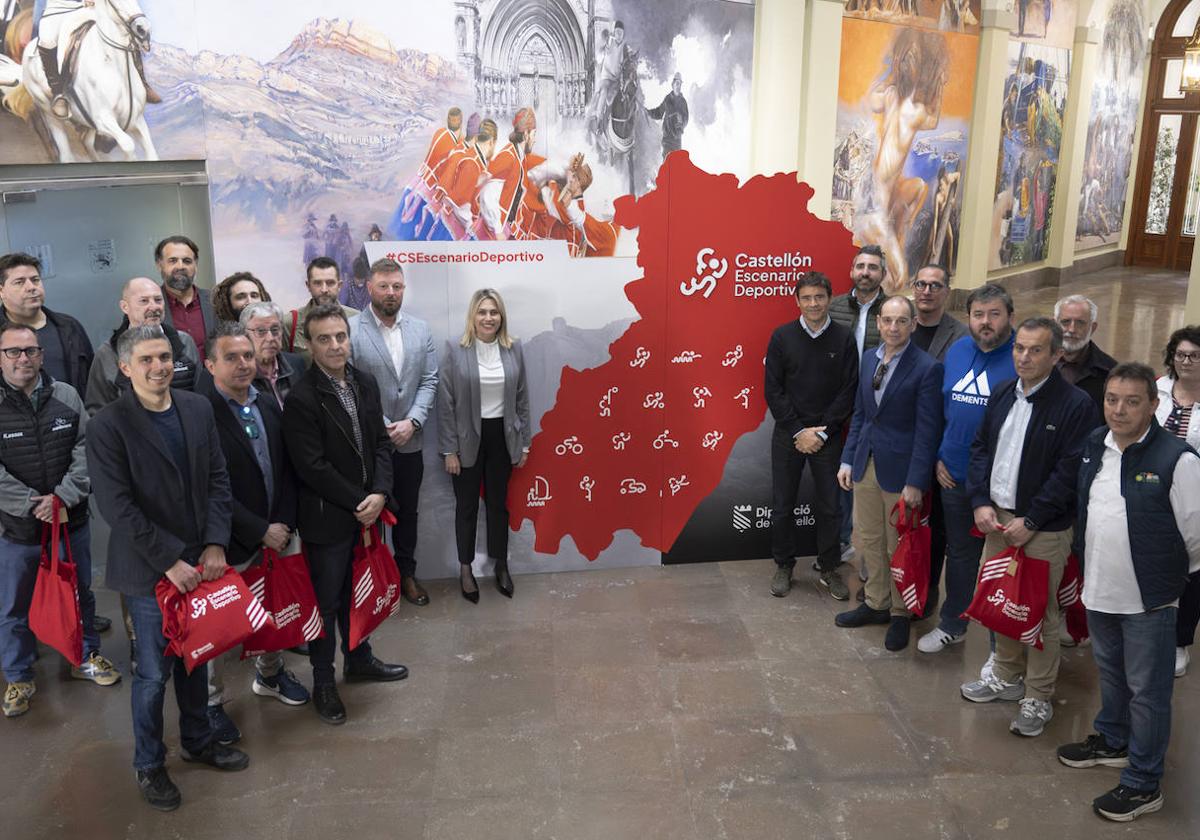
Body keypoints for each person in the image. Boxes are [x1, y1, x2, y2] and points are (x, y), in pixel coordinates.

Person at [86, 325, 247, 811]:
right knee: (153, 674)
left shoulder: (196, 408)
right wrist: (169, 561)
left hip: (201, 562)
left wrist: (216, 542)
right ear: (126, 367)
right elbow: (117, 507)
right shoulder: (107, 425)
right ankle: (150, 764)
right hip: (148, 571)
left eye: (165, 357)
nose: (159, 367)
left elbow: (219, 478)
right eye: (148, 359)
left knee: (196, 659)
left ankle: (197, 742)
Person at [1056, 362, 1200, 823]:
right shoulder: (1095, 446)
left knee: (1149, 692)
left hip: (1149, 600)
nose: (1119, 409)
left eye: (1132, 401)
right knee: (1112, 676)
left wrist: (1164, 578)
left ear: (1154, 405)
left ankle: (1143, 782)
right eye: (1112, 399)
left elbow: (1195, 536)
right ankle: (1113, 740)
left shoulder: (1178, 460)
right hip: (1100, 588)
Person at [959, 318, 1100, 738]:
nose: (1024, 356)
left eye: (1035, 350)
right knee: (1002, 601)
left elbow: (1069, 471)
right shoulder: (1004, 391)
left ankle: (1037, 696)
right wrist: (980, 502)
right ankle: (1005, 676)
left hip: (1043, 527)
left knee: (1041, 613)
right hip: (996, 519)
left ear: (1057, 355)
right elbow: (981, 448)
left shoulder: (1075, 405)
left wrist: (1033, 519)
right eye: (1019, 348)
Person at [282, 304, 407, 726]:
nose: (335, 345)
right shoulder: (301, 397)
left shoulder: (364, 383)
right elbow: (311, 467)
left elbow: (381, 445)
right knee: (327, 603)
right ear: (309, 345)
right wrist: (361, 501)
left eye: (340, 336)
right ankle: (323, 681)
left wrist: (380, 493)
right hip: (329, 519)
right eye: (325, 339)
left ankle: (359, 659)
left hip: (367, 511)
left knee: (361, 592)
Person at [0, 323, 119, 719]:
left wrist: (63, 496)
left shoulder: (66, 394)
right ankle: (18, 675)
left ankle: (85, 656)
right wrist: (32, 504)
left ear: (41, 354)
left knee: (80, 593)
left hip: (70, 523)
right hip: (16, 531)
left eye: (30, 351)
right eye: (13, 352)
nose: (23, 359)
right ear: (1, 357)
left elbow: (86, 448)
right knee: (13, 606)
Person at [198, 322, 306, 743]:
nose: (244, 364)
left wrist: (280, 525)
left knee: (271, 610)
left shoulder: (266, 402)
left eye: (247, 355)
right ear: (210, 364)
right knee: (218, 628)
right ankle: (209, 704)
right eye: (231, 357)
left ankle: (271, 674)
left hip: (275, 533)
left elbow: (284, 466)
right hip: (228, 540)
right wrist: (259, 529)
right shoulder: (200, 411)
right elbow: (209, 487)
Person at [834, 297, 943, 650]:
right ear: (878, 323)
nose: (893, 328)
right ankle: (877, 602)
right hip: (866, 464)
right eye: (887, 321)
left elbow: (927, 431)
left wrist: (916, 481)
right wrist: (848, 459)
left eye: (901, 321)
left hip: (902, 473)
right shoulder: (869, 359)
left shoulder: (926, 368)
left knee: (899, 546)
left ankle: (900, 612)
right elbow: (862, 414)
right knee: (870, 539)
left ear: (913, 324)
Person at [918, 283, 1016, 656]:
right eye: (978, 314)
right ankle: (953, 624)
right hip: (954, 477)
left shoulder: (1020, 357)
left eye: (994, 314)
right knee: (960, 555)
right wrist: (940, 456)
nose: (985, 322)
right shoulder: (958, 351)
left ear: (1009, 316)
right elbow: (944, 413)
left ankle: (1002, 645)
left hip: (1000, 484)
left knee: (1003, 564)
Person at [764, 271, 858, 600]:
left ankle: (830, 567)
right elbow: (773, 390)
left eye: (819, 297)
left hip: (827, 436)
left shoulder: (844, 338)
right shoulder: (781, 337)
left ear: (829, 299)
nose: (813, 303)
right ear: (797, 301)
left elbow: (848, 391)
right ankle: (784, 566)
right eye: (806, 298)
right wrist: (798, 430)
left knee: (831, 507)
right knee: (782, 506)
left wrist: (823, 432)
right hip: (789, 434)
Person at [349, 259, 438, 607]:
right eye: (384, 286)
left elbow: (430, 380)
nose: (391, 293)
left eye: (397, 286)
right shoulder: (352, 330)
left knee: (408, 513)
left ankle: (405, 576)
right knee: (368, 515)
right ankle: (372, 584)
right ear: (370, 287)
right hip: (370, 442)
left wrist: (412, 421)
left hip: (410, 440)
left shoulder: (420, 329)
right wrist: (385, 425)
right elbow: (352, 384)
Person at [437, 288, 530, 602]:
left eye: (494, 312)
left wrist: (525, 443)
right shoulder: (455, 349)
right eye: (482, 312)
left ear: (501, 316)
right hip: (466, 442)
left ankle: (501, 565)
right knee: (465, 508)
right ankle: (466, 570)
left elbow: (522, 399)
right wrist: (449, 450)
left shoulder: (513, 349)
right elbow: (446, 404)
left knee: (497, 506)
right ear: (472, 316)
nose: (488, 318)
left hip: (502, 439)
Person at [909, 263, 967, 617]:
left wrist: (942, 452)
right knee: (900, 519)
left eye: (935, 286)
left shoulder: (961, 337)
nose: (927, 291)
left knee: (938, 528)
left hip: (941, 449)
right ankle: (894, 583)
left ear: (946, 292)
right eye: (921, 284)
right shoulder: (899, 324)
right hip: (903, 443)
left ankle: (928, 589)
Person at [829, 244, 889, 575]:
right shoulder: (835, 306)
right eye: (860, 266)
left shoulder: (894, 309)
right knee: (841, 475)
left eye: (873, 267)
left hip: (874, 407)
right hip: (839, 405)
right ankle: (840, 541)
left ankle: (874, 555)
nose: (866, 272)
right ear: (852, 271)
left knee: (868, 480)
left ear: (883, 274)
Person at [1153, 325, 1200, 678]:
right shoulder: (1157, 389)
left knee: (1192, 572)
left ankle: (1179, 642)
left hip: (1194, 499)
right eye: (1181, 354)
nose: (1186, 361)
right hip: (1152, 494)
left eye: (1194, 356)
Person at [85, 277, 200, 416]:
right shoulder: (108, 352)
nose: (154, 307)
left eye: (158, 300)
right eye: (144, 301)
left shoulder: (184, 342)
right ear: (124, 307)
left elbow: (200, 394)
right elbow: (97, 411)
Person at [0, 252, 94, 398]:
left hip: (72, 416)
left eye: (35, 280)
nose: (31, 287)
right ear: (1, 291)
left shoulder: (69, 327)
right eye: (20, 282)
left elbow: (91, 381)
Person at [283, 257, 359, 363]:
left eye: (330, 283)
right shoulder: (290, 323)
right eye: (317, 283)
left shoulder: (356, 319)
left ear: (339, 285)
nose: (324, 290)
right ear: (308, 286)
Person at [155, 236, 214, 363]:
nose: (180, 266)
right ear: (159, 265)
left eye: (187, 261)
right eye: (172, 260)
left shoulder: (216, 302)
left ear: (196, 265)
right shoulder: (149, 307)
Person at [1056, 294, 1116, 413]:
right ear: (1054, 324)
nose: (1072, 329)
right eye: (1065, 322)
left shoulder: (1110, 372)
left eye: (1080, 323)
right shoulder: (1038, 362)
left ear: (1092, 328)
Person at [240, 301, 306, 409]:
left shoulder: (296, 363)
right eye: (261, 331)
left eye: (275, 330)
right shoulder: (239, 373)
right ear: (245, 335)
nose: (270, 338)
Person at [646, 72, 689, 161]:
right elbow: (659, 113)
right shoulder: (667, 99)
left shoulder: (683, 102)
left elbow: (686, 119)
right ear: (673, 84)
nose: (678, 86)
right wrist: (647, 112)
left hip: (677, 140)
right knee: (666, 164)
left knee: (677, 166)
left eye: (680, 84)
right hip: (667, 139)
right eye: (677, 83)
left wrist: (681, 123)